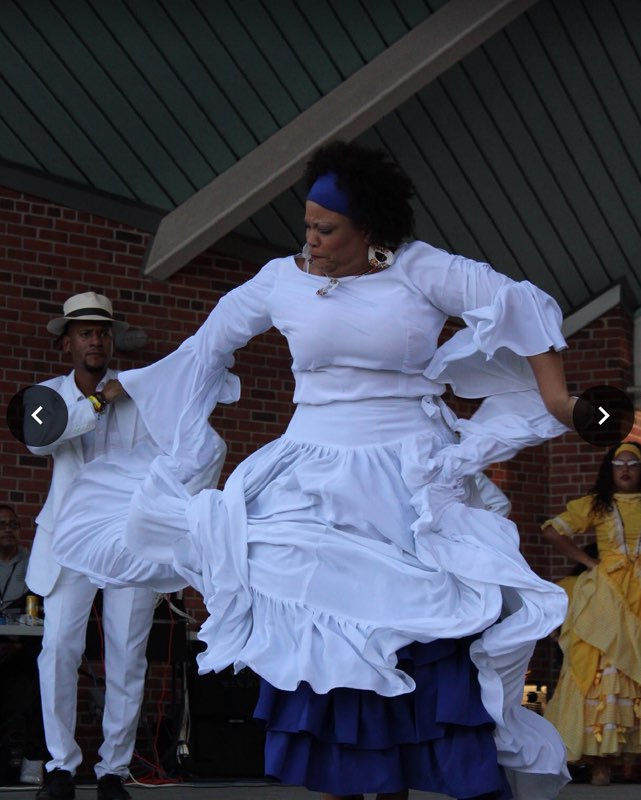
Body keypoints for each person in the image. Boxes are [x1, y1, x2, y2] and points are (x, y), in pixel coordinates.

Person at [52, 142, 575, 800]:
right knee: (320, 630)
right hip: (311, 474)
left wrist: (557, 400)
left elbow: (519, 306)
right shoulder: (280, 280)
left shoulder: (419, 270)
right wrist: (131, 388)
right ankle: (345, 784)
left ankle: (398, 782)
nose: (312, 240)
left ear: (368, 232)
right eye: (306, 225)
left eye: (326, 229)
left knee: (415, 629)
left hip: (407, 475)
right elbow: (208, 346)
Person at [23, 293, 166, 800]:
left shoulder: (139, 396)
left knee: (127, 656)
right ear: (67, 342)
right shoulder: (47, 395)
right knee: (59, 649)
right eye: (85, 332)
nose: (96, 340)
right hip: (67, 541)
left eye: (103, 332)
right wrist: (102, 400)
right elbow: (40, 442)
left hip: (127, 543)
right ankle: (60, 767)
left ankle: (113, 771)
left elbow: (157, 463)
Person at [542, 441, 641, 787]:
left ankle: (631, 758)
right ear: (609, 470)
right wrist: (588, 562)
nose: (626, 469)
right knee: (603, 663)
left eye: (633, 463)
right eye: (618, 463)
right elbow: (553, 529)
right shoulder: (599, 505)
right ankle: (601, 760)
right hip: (607, 593)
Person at [0, 504, 48, 786]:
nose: (8, 530)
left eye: (13, 525)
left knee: (41, 685)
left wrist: (15, 645)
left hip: (23, 648)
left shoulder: (32, 563)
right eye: (2, 524)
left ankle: (34, 759)